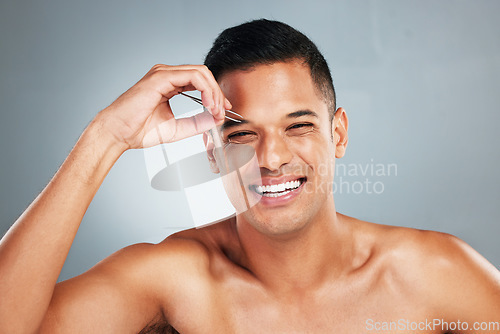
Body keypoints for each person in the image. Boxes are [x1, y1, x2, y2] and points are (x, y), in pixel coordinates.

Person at [0, 19, 499, 334]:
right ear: (212, 152)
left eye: (298, 126)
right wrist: (106, 136)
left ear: (339, 134)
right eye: (241, 135)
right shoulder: (176, 282)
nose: (272, 157)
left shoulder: (431, 274)